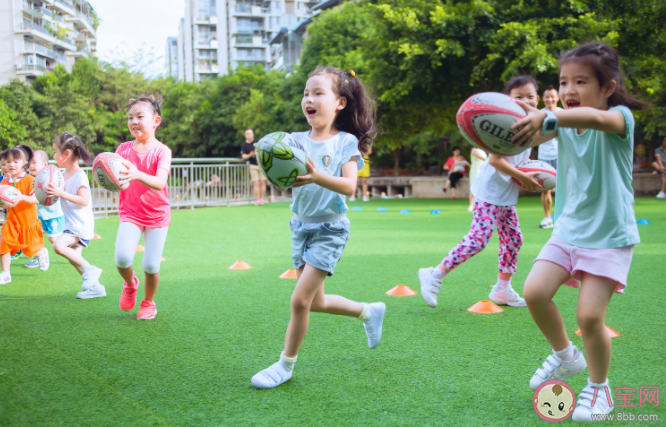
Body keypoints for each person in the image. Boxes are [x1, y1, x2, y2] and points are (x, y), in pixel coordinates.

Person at [512, 43, 647, 422]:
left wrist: (547, 115)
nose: (569, 89)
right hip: (569, 231)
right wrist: (501, 128)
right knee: (534, 292)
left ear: (607, 87)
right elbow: (527, 137)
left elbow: (595, 120)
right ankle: (565, 356)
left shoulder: (619, 118)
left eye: (580, 81)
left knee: (590, 318)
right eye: (563, 81)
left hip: (609, 235)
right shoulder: (560, 122)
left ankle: (600, 387)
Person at [251, 68, 385, 389]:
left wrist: (316, 176)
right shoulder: (293, 141)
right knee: (315, 302)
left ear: (339, 102)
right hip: (300, 228)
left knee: (299, 301)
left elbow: (349, 186)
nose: (309, 99)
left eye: (318, 93)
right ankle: (368, 312)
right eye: (306, 93)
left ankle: (285, 365)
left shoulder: (345, 142)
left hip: (330, 230)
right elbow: (287, 180)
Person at [418, 75, 543, 309]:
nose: (526, 100)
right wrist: (521, 176)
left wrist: (522, 176)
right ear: (509, 100)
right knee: (478, 240)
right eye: (519, 97)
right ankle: (433, 274)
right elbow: (495, 160)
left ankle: (502, 289)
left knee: (514, 239)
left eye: (530, 96)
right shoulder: (508, 123)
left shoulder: (531, 125)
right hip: (489, 192)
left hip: (505, 195)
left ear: (538, 99)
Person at [116, 95, 172, 320]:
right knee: (121, 258)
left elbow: (160, 182)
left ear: (156, 121)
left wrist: (137, 174)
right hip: (130, 212)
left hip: (157, 215)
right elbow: (115, 178)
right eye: (130, 117)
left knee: (150, 264)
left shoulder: (162, 151)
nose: (134, 121)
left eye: (140, 116)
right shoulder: (122, 149)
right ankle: (130, 284)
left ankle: (148, 302)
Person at [47, 134, 104, 298]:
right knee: (74, 258)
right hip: (72, 224)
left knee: (58, 246)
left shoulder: (80, 176)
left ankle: (92, 270)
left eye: (54, 152)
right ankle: (97, 288)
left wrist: (61, 193)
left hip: (80, 225)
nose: (53, 156)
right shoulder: (61, 175)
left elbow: (83, 200)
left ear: (66, 154)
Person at [0, 145, 49, 284]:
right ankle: (5, 273)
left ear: (25, 164)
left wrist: (21, 197)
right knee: (4, 244)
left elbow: (37, 199)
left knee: (30, 250)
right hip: (11, 221)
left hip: (28, 222)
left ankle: (42, 253)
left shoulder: (30, 180)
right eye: (8, 162)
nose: (11, 165)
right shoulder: (4, 182)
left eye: (16, 161)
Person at [26, 150, 66, 268]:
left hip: (54, 215)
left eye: (34, 163)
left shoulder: (50, 178)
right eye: (30, 163)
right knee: (34, 236)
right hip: (41, 215)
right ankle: (39, 257)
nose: (31, 166)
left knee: (53, 238)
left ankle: (71, 250)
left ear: (44, 165)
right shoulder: (31, 179)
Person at [536, 86, 563, 228]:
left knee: (564, 188)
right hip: (544, 157)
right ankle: (547, 218)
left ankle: (563, 218)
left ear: (557, 98)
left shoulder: (564, 114)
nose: (550, 99)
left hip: (562, 156)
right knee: (545, 189)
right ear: (543, 98)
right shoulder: (539, 115)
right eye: (547, 96)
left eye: (552, 96)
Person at [241, 129, 266, 205]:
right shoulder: (244, 145)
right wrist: (251, 155)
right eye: (247, 134)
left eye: (250, 133)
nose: (249, 135)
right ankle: (257, 200)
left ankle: (262, 199)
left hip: (261, 164)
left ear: (253, 134)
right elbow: (243, 156)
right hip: (252, 165)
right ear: (245, 135)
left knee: (262, 181)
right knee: (255, 182)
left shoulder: (258, 141)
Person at [468, 147, 487, 212]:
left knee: (482, 187)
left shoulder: (483, 151)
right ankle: (471, 205)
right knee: (473, 186)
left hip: (482, 170)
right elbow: (483, 158)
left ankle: (480, 205)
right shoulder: (474, 150)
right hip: (476, 169)